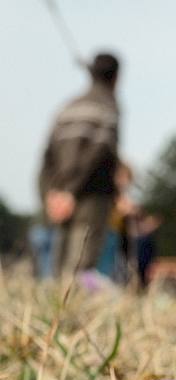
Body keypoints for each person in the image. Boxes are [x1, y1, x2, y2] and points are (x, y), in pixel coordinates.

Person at [38, 53, 121, 276]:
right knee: (80, 266)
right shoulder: (109, 106)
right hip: (92, 196)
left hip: (60, 196)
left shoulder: (66, 108)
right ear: (116, 77)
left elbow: (47, 157)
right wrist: (72, 193)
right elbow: (100, 154)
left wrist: (51, 194)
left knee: (58, 263)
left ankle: (56, 310)